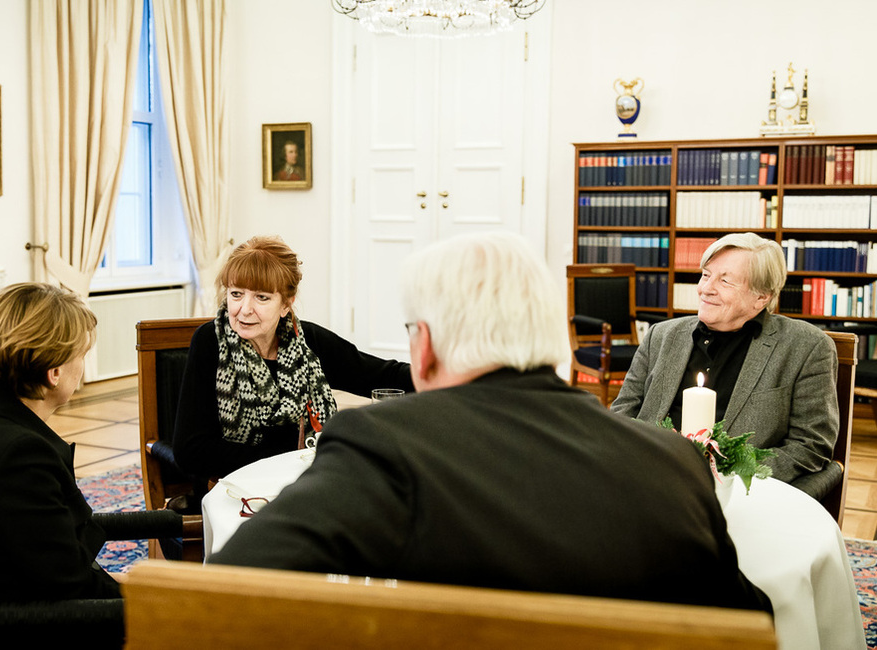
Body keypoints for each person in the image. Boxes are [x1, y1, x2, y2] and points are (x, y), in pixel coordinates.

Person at [210, 232, 771, 613]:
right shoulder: (674, 462)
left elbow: (222, 595)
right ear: (555, 338)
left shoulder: (378, 445)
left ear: (423, 348)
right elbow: (754, 624)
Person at [0, 283, 120, 607]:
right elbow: (73, 587)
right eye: (82, 355)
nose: (82, 365)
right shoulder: (19, 456)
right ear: (53, 372)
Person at [611, 232, 839, 494]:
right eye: (706, 275)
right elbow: (621, 414)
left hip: (735, 496)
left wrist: (730, 475)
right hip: (643, 481)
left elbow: (811, 444)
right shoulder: (661, 336)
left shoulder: (806, 347)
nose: (706, 288)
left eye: (725, 281)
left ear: (761, 297)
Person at [172, 235, 413, 480]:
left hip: (305, 480)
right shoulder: (210, 343)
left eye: (261, 297)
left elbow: (384, 375)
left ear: (286, 304)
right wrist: (288, 460)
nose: (244, 309)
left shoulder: (307, 342)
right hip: (237, 486)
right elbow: (191, 452)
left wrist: (446, 376)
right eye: (236, 294)